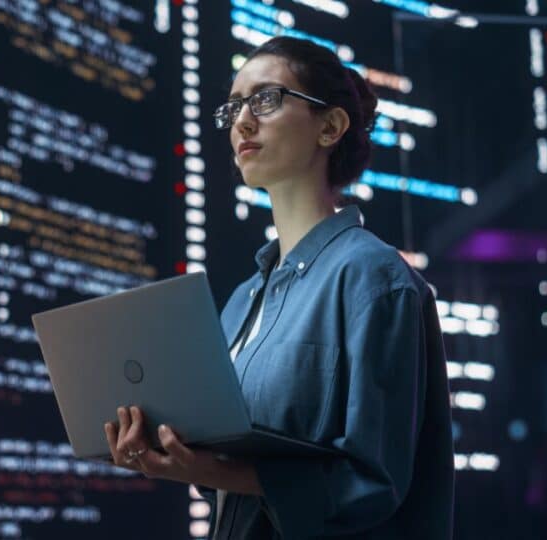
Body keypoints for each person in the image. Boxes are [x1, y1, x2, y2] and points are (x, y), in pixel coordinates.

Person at [104, 36, 454, 539]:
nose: (242, 122)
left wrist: (213, 470)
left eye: (266, 99)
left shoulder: (375, 279)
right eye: (234, 107)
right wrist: (175, 455)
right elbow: (237, 483)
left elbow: (373, 483)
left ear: (330, 126)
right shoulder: (242, 303)